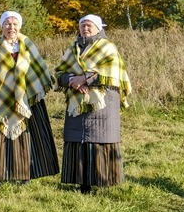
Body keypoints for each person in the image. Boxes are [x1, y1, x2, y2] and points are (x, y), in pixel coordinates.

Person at [0, 11, 59, 184]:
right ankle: (1, 177)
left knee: (27, 137)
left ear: (20, 26)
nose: (11, 27)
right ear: (2, 27)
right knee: (1, 140)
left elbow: (40, 72)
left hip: (28, 101)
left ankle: (25, 175)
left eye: (14, 24)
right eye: (7, 24)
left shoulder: (28, 45)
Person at [54, 14, 132, 193]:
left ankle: (103, 181)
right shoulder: (73, 48)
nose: (85, 28)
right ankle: (82, 183)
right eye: (82, 25)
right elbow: (60, 72)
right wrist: (73, 79)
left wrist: (85, 79)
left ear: (98, 28)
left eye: (89, 25)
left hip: (103, 103)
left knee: (100, 139)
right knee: (77, 141)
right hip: (77, 102)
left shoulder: (108, 47)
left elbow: (113, 71)